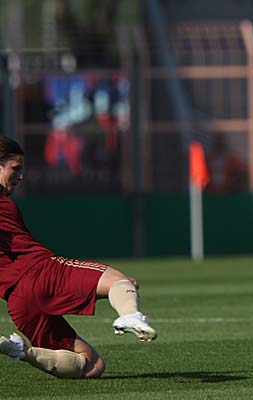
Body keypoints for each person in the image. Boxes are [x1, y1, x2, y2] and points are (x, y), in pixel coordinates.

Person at [0, 136, 157, 379]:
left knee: (92, 366)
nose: (20, 176)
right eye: (15, 168)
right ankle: (131, 316)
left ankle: (21, 351)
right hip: (43, 273)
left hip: (18, 302)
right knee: (122, 282)